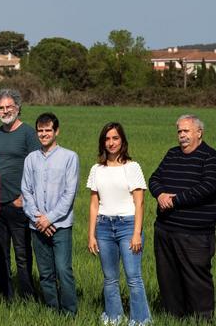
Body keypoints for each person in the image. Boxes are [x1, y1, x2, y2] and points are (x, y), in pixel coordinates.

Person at [148, 114, 216, 321]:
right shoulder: (172, 154)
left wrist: (175, 200)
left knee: (197, 279)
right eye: (179, 131)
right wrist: (161, 194)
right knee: (168, 278)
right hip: (165, 229)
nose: (182, 135)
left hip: (195, 233)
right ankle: (174, 317)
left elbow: (208, 187)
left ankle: (202, 319)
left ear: (199, 132)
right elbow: (154, 178)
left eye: (186, 131)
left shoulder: (209, 156)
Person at [87, 122, 151, 325]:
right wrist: (91, 235)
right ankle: (114, 317)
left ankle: (141, 319)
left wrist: (136, 233)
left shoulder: (132, 167)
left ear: (122, 140)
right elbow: (94, 204)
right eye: (107, 139)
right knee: (110, 278)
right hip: (104, 227)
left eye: (115, 138)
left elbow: (139, 203)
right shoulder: (97, 169)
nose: (111, 143)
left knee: (133, 277)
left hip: (128, 226)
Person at [0, 88, 41, 300]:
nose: (5, 111)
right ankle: (5, 296)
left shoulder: (28, 134)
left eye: (9, 107)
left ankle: (27, 296)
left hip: (19, 205)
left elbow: (38, 167)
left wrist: (25, 198)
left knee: (23, 255)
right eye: (0, 108)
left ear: (18, 108)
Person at [20, 112, 79, 315]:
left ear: (56, 131)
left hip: (60, 225)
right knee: (45, 272)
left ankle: (69, 312)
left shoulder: (70, 157)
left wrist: (50, 218)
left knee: (63, 270)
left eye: (48, 130)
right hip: (36, 226)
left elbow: (69, 193)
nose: (44, 134)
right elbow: (26, 191)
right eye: (40, 130)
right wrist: (39, 219)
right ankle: (53, 310)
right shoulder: (30, 159)